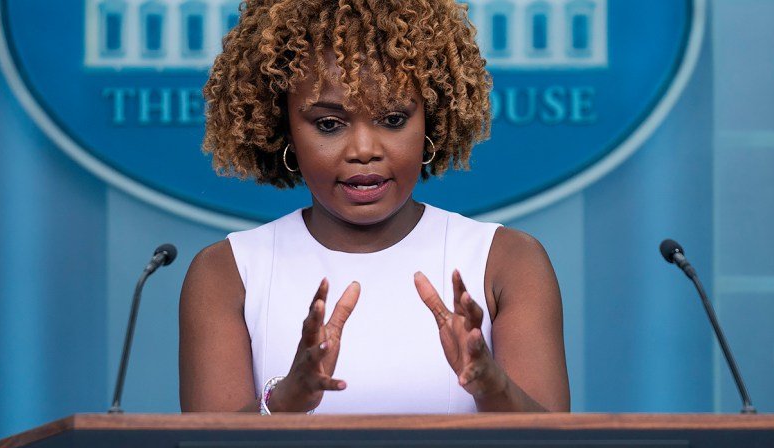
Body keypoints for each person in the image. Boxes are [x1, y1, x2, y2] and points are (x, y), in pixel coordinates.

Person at [179, 0, 569, 414]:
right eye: (329, 124)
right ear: (283, 127)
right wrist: (285, 402)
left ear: (431, 121)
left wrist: (491, 387)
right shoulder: (228, 273)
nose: (364, 150)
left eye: (393, 119)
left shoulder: (506, 261)